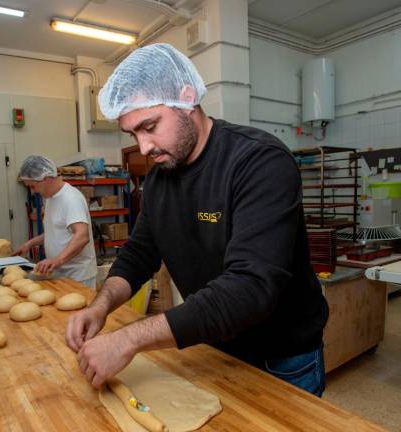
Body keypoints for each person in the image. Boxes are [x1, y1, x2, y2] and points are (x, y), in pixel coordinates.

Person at [64, 43, 329, 396]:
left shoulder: (259, 162)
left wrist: (128, 339)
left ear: (186, 98)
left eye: (150, 126)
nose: (143, 148)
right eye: (133, 134)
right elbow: (139, 254)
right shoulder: (160, 176)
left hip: (280, 357)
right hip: (212, 344)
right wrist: (101, 307)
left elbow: (250, 288)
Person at [15, 155, 97, 289]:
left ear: (46, 179)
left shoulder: (71, 198)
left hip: (78, 276)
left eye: (33, 186)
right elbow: (55, 232)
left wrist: (57, 260)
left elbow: (82, 236)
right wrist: (29, 244)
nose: (32, 191)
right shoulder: (50, 199)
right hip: (60, 272)